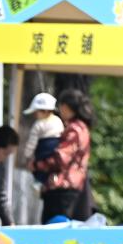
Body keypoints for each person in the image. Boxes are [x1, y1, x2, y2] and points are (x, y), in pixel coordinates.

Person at [32, 89, 94, 224]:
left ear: (66, 106)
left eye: (60, 106)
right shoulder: (83, 128)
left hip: (62, 189)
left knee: (54, 228)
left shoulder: (74, 129)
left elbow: (61, 159)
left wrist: (37, 165)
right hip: (74, 187)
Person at [21, 92, 63, 184]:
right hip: (56, 153)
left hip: (43, 151)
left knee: (40, 173)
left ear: (45, 111)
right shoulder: (58, 120)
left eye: (36, 112)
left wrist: (27, 156)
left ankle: (39, 183)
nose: (35, 115)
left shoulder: (38, 124)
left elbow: (32, 143)